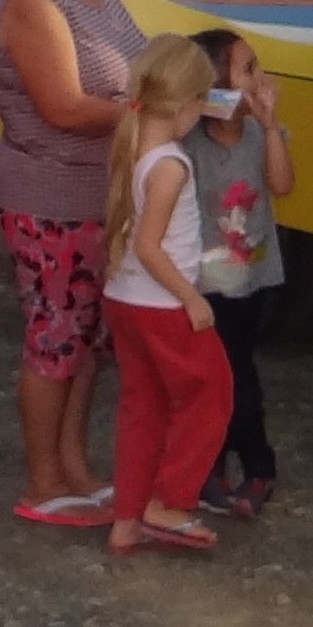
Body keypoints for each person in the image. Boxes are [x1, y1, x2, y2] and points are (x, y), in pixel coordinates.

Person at [0, 0, 139, 528]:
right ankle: (43, 479)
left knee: (89, 341)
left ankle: (75, 464)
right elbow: (64, 107)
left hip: (98, 195)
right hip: (51, 199)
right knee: (55, 338)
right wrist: (151, 114)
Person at [99, 32, 233, 557]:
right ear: (185, 105)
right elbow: (152, 247)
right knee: (212, 394)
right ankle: (170, 501)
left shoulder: (136, 149)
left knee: (143, 407)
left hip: (126, 300)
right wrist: (192, 297)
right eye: (202, 102)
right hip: (162, 304)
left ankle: (127, 519)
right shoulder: (172, 165)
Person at [187, 26, 294, 520]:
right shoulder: (189, 142)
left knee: (237, 376)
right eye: (248, 70)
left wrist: (271, 128)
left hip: (246, 281)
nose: (261, 79)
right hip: (199, 283)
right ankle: (210, 465)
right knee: (208, 378)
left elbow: (282, 185)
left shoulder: (260, 136)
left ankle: (257, 465)